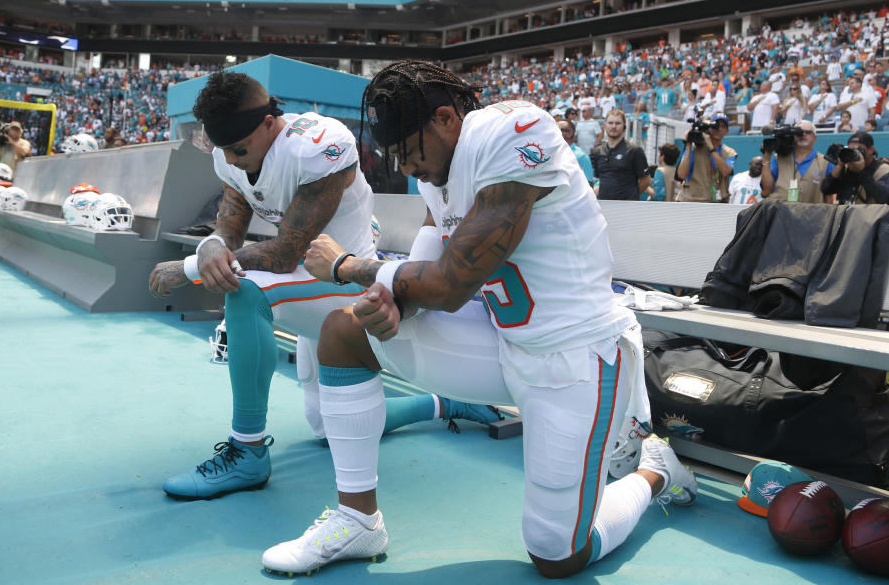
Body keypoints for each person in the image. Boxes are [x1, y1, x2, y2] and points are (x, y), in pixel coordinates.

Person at [262, 61, 697, 578]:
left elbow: (449, 284)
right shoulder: (439, 170)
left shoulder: (511, 132)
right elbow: (420, 283)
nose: (406, 168)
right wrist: (390, 303)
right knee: (344, 328)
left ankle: (654, 472)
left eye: (407, 151)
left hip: (576, 357)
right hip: (498, 341)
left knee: (557, 556)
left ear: (446, 118)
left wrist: (348, 265)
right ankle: (358, 520)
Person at [146, 71, 496, 500]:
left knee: (247, 288)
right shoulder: (231, 156)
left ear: (270, 124)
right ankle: (445, 403)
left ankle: (247, 451)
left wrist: (188, 268)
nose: (234, 160)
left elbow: (286, 252)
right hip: (305, 283)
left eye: (240, 149)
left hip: (344, 277)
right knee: (326, 426)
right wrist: (212, 246)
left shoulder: (319, 146)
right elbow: (230, 223)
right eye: (226, 152)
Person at [760, 120, 833, 203]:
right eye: (799, 132)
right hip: (782, 213)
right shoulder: (778, 159)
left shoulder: (825, 162)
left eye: (808, 132)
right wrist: (767, 157)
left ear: (815, 138)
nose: (803, 135)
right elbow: (767, 190)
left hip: (813, 214)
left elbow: (829, 195)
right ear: (793, 136)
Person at [820, 131, 889, 205]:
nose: (855, 153)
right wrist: (839, 166)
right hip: (845, 216)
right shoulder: (847, 168)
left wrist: (861, 172)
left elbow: (883, 197)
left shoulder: (885, 170)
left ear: (871, 149)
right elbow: (825, 189)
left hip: (872, 217)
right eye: (851, 150)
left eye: (859, 150)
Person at [676, 113, 737, 202]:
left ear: (727, 131)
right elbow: (681, 175)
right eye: (715, 125)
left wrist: (711, 147)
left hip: (717, 202)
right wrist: (688, 145)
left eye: (722, 126)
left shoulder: (729, 152)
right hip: (693, 201)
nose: (718, 128)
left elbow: (725, 171)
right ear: (709, 127)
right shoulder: (694, 148)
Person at [592, 109, 650, 200]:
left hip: (627, 208)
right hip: (604, 206)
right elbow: (599, 179)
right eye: (610, 123)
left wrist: (631, 196)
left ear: (624, 127)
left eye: (618, 123)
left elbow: (646, 181)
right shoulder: (598, 152)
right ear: (605, 126)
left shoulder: (634, 151)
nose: (614, 126)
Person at [557, 118, 594, 189]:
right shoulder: (553, 153)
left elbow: (588, 184)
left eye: (557, 130)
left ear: (569, 133)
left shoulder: (581, 156)